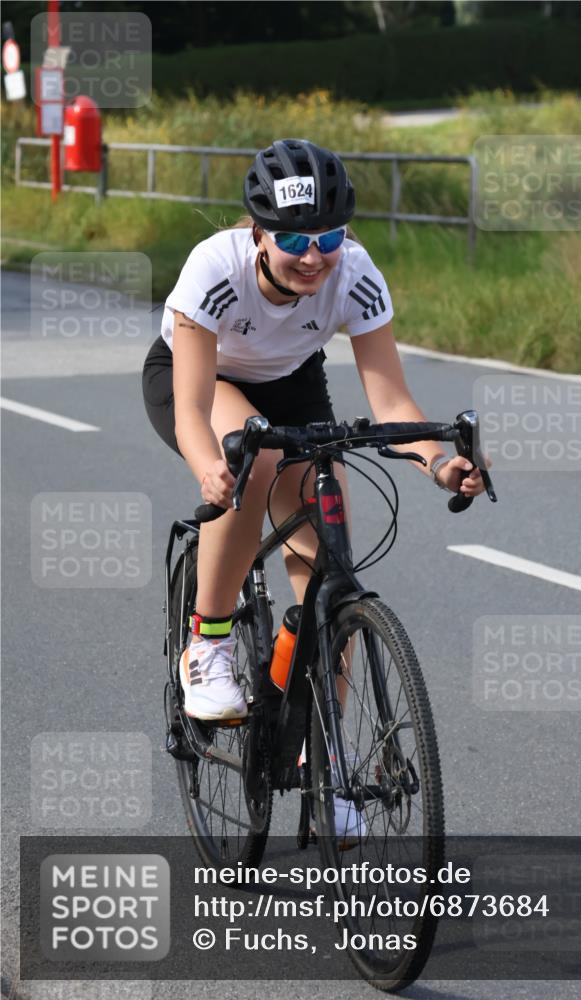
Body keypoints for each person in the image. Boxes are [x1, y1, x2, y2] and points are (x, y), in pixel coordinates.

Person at [143, 136, 483, 723]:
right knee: (254, 461)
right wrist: (209, 470)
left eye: (328, 239)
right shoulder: (214, 269)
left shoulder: (354, 274)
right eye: (294, 241)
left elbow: (392, 399)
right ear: (258, 234)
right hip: (200, 378)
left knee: (332, 573)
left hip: (291, 380)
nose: (312, 257)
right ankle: (210, 642)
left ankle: (323, 769)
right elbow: (192, 410)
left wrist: (439, 464)